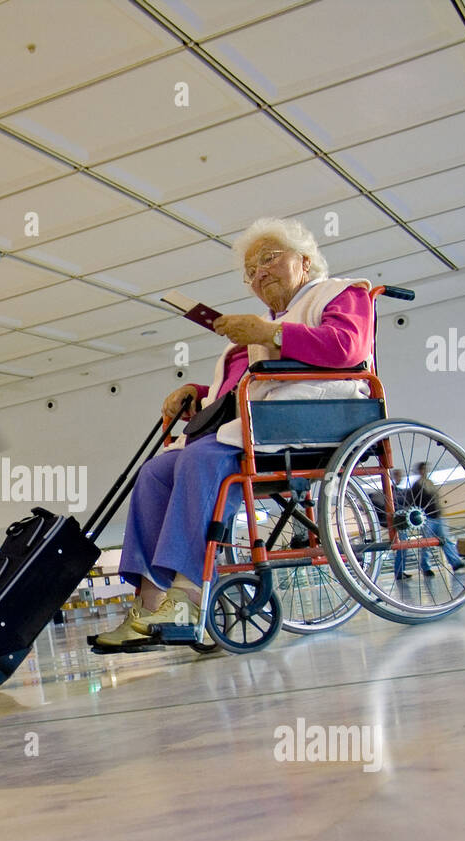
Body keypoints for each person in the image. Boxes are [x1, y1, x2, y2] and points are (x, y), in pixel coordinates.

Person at [95, 216, 375, 647]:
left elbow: (346, 348)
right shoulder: (245, 338)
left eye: (269, 259)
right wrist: (196, 392)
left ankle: (187, 595)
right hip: (252, 424)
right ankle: (149, 605)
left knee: (201, 460)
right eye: (250, 271)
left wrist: (272, 333)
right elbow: (240, 391)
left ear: (304, 261)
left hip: (308, 420)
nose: (259, 273)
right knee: (153, 473)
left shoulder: (340, 293)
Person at [399, 463, 465, 576]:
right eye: (423, 469)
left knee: (446, 540)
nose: (425, 471)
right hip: (427, 518)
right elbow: (413, 502)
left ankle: (455, 562)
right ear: (419, 471)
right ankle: (425, 567)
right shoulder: (416, 486)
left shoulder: (430, 483)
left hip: (438, 516)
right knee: (426, 544)